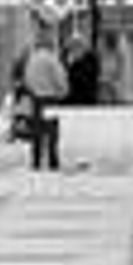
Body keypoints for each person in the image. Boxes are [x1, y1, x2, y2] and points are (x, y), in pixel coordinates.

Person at [21, 35, 69, 171]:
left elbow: (27, 78)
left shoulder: (32, 59)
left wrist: (33, 90)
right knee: (52, 131)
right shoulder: (52, 60)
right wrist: (63, 92)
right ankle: (52, 160)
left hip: (36, 98)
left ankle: (36, 160)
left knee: (37, 130)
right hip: (51, 98)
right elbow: (60, 77)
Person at [65, 36, 100, 106]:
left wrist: (73, 65)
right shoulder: (74, 60)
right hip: (76, 99)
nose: (73, 52)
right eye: (71, 49)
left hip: (86, 99)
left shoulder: (89, 60)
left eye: (74, 49)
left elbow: (84, 78)